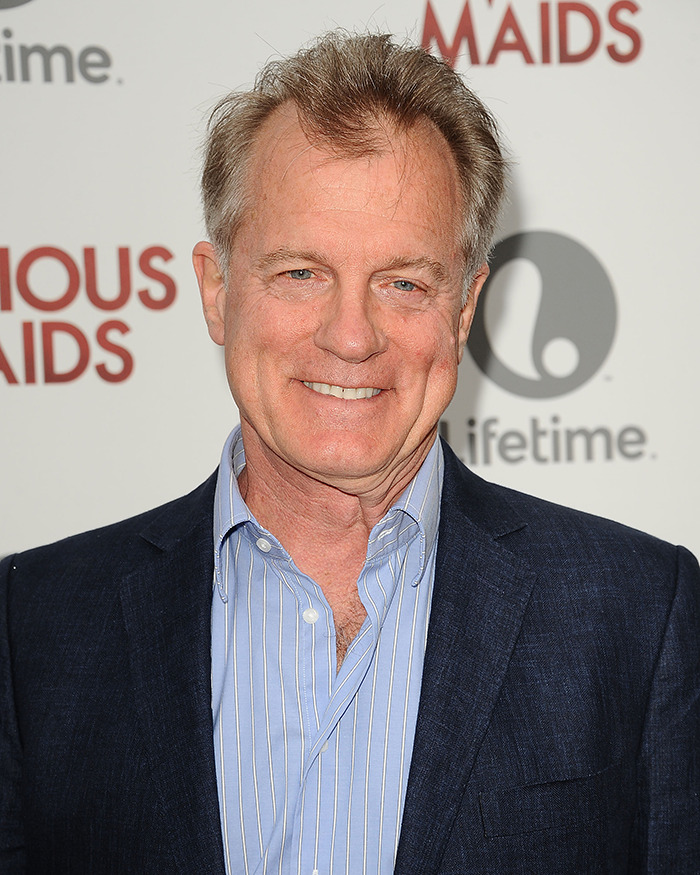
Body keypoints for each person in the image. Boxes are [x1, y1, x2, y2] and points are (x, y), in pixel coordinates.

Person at [1, 30, 698, 875]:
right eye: (300, 273)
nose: (352, 335)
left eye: (404, 282)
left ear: (467, 306)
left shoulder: (635, 610)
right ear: (216, 292)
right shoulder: (33, 625)